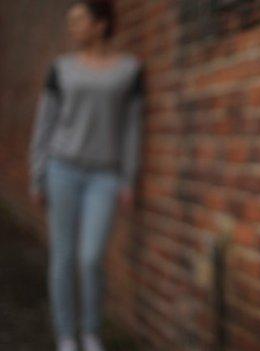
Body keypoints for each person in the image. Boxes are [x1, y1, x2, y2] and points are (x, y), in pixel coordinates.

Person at [28, 1, 144, 350]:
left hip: (104, 177)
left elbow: (132, 129)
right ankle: (66, 336)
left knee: (91, 256)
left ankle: (91, 332)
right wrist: (38, 175)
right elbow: (44, 124)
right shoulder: (60, 69)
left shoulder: (129, 71)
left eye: (79, 21)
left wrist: (128, 178)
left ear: (100, 24)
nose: (73, 27)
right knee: (62, 256)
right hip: (61, 170)